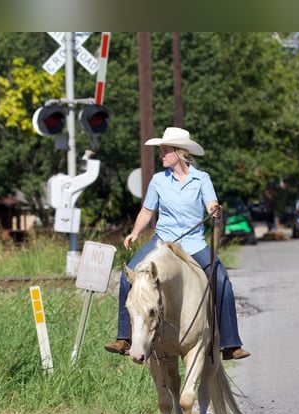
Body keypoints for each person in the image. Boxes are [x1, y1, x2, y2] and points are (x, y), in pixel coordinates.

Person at [104, 127, 251, 361]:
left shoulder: (201, 179)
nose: (161, 154)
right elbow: (147, 210)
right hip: (161, 242)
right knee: (127, 277)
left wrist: (214, 210)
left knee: (222, 281)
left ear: (179, 153)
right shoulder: (158, 181)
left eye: (165, 150)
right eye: (161, 150)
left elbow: (211, 204)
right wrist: (134, 232)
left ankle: (231, 344)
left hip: (193, 244)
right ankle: (125, 338)